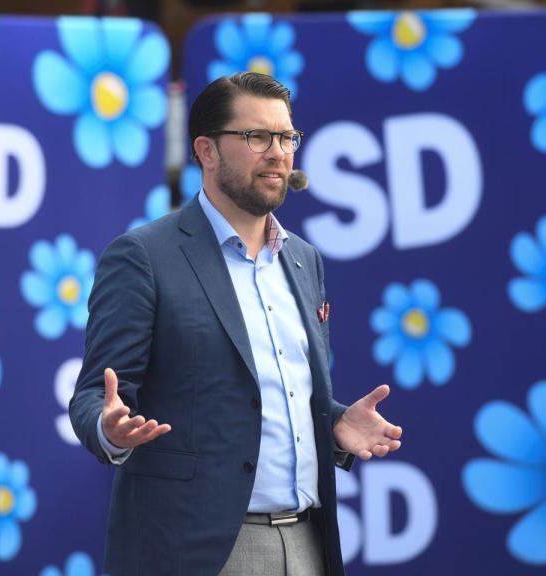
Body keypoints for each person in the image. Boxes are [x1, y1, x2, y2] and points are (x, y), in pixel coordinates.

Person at [70, 72, 403, 576]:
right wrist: (111, 428)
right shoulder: (143, 256)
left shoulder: (303, 259)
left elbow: (265, 391)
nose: (278, 152)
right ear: (206, 151)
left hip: (308, 538)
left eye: (287, 137)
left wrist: (332, 422)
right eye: (256, 137)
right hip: (199, 550)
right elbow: (97, 394)